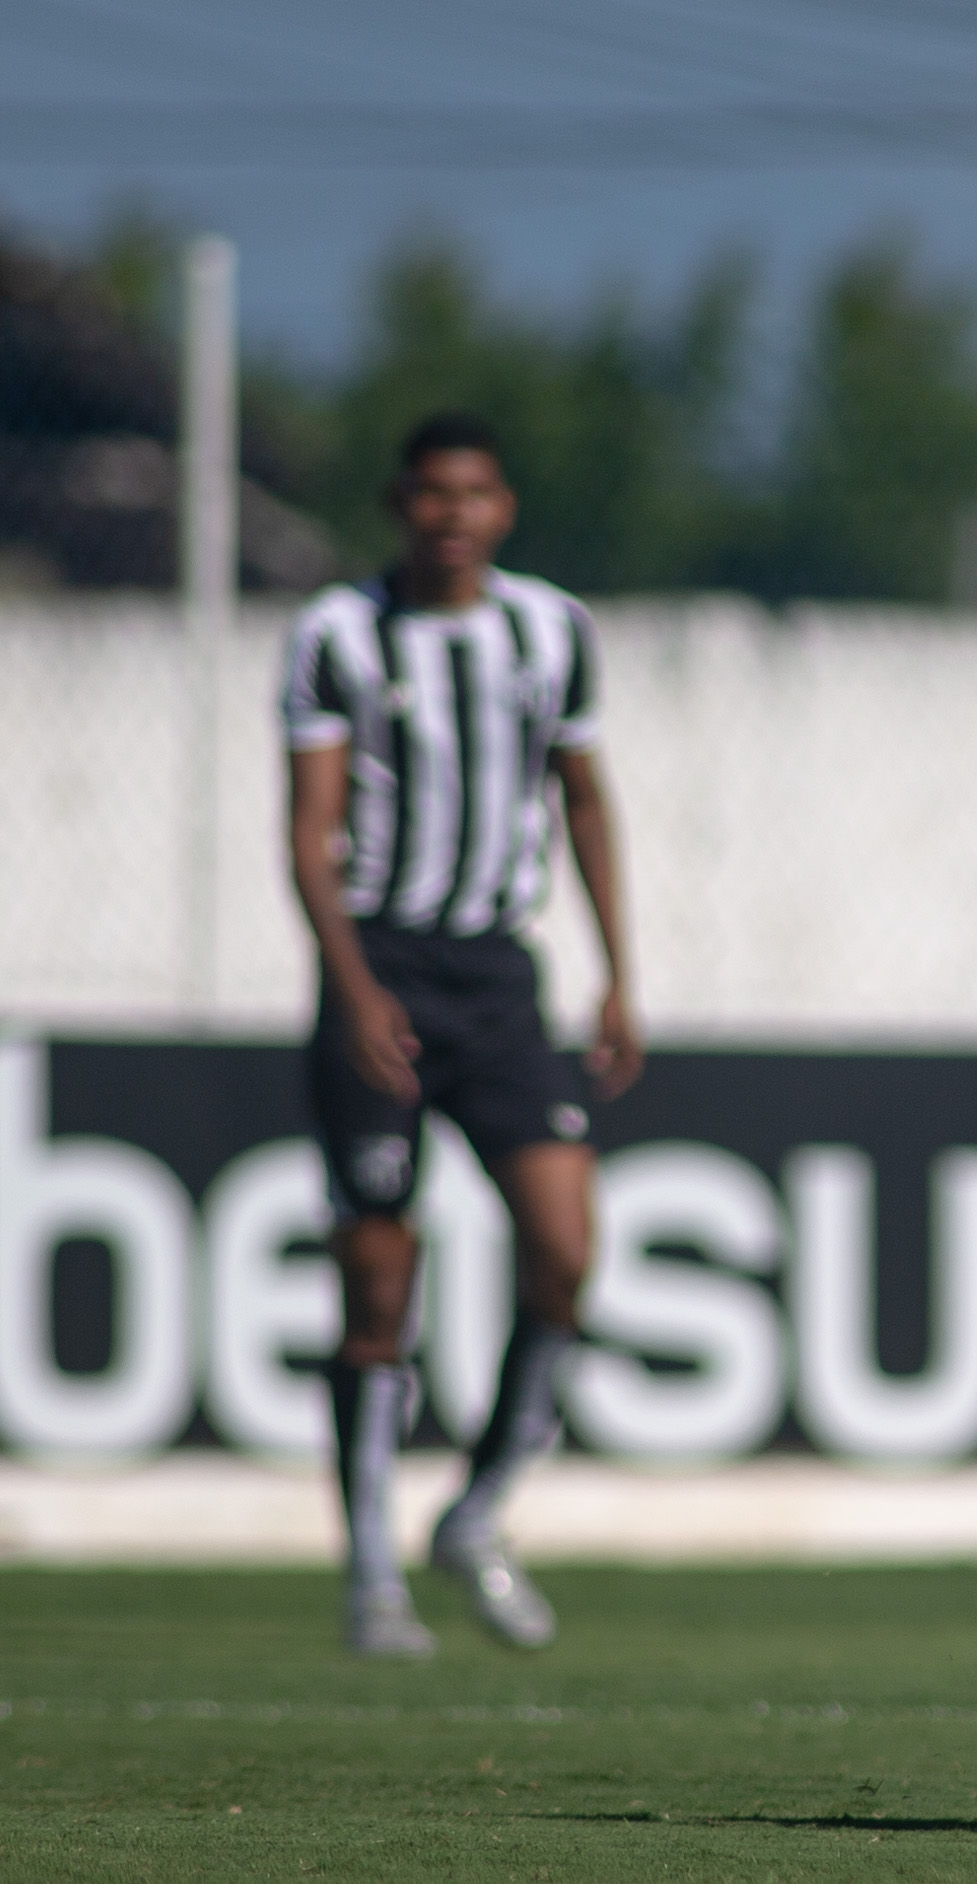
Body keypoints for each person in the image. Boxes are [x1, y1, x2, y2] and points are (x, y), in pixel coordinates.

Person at [280, 412, 644, 1657]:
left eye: (475, 492)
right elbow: (309, 832)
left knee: (565, 1246)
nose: (453, 513)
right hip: (379, 967)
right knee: (379, 1276)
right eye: (431, 492)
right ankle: (370, 1566)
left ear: (504, 507)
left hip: (497, 978)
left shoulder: (551, 630)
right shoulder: (337, 632)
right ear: (400, 502)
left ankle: (476, 1511)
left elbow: (585, 797)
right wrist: (353, 986)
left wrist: (617, 976)